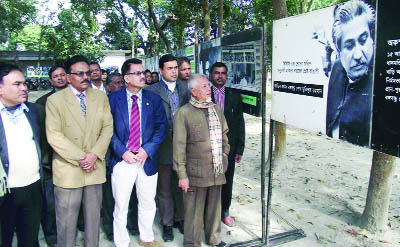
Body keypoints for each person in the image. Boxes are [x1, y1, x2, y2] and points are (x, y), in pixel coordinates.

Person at [45, 55, 113, 247]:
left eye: (88, 73)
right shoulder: (55, 101)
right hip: (69, 170)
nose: (86, 77)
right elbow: (54, 136)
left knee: (93, 221)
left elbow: (107, 128)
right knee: (66, 224)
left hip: (95, 168)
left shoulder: (100, 97)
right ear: (68, 77)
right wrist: (83, 158)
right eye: (80, 73)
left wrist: (94, 155)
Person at [108, 58, 167, 247]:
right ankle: (121, 242)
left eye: (143, 72)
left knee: (148, 202)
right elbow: (107, 130)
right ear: (126, 77)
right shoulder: (113, 100)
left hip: (145, 160)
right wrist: (122, 151)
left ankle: (146, 238)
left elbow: (161, 128)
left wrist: (147, 150)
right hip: (123, 159)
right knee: (121, 205)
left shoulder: (153, 99)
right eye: (138, 73)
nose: (143, 76)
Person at [173, 74, 229, 247]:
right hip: (195, 171)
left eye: (208, 86)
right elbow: (178, 147)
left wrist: (225, 152)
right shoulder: (183, 113)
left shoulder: (216, 109)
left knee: (214, 207)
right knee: (194, 211)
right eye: (204, 86)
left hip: (217, 168)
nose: (208, 89)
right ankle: (192, 243)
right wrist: (182, 175)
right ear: (193, 91)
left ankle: (214, 239)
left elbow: (224, 134)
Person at [145, 54, 190, 242]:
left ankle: (180, 218)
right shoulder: (152, 91)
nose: (174, 71)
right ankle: (167, 223)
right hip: (162, 146)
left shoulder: (185, 88)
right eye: (169, 68)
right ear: (161, 70)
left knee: (181, 185)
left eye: (175, 68)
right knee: (164, 189)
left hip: (183, 147)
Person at [0, 63, 43, 247]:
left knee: (30, 239)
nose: (24, 88)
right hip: (5, 193)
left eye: (24, 83)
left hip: (33, 188)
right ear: (0, 88)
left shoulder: (34, 111)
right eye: (17, 84)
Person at [326, 0, 375, 147]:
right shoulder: (337, 69)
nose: (358, 55)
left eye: (363, 40)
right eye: (349, 45)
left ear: (372, 38)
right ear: (339, 52)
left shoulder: (382, 82)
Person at [36, 65, 69, 247]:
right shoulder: (42, 103)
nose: (60, 79)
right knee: (50, 202)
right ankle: (51, 234)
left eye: (63, 75)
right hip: (51, 160)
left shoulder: (78, 97)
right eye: (56, 76)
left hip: (75, 159)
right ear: (51, 80)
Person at [209, 62, 245, 227]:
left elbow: (239, 123)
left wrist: (240, 148)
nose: (220, 76)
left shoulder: (234, 96)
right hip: (207, 148)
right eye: (217, 73)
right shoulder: (203, 93)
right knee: (208, 181)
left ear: (227, 75)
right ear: (211, 75)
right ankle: (208, 214)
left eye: (223, 73)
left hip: (228, 148)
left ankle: (225, 212)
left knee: (227, 180)